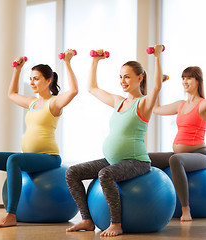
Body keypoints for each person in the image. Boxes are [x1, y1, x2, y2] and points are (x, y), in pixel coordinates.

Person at [0, 49, 78, 228]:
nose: (32, 82)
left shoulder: (54, 103)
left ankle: (10, 215)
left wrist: (68, 63)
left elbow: (74, 91)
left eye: (36, 78)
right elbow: (12, 94)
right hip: (31, 156)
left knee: (14, 160)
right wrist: (17, 71)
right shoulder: (32, 102)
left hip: (49, 158)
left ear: (49, 81)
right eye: (31, 78)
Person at [65, 45, 163, 237]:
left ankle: (116, 223)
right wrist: (95, 61)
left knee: (105, 175)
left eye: (127, 76)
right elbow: (92, 88)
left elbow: (157, 86)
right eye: (120, 76)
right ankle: (86, 219)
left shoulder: (142, 103)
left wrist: (157, 57)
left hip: (137, 162)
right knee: (72, 172)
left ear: (140, 78)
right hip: (113, 160)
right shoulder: (118, 102)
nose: (122, 81)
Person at [149, 66, 206, 221]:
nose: (185, 81)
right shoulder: (180, 105)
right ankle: (154, 204)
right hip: (180, 154)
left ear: (198, 81)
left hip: (199, 155)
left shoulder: (204, 104)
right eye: (183, 78)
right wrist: (159, 86)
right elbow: (156, 109)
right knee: (147, 157)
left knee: (175, 160)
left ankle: (185, 209)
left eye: (189, 78)